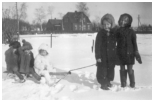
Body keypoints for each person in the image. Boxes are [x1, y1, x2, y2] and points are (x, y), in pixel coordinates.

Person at [116, 13, 142, 88]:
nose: (122, 22)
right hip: (120, 54)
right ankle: (123, 84)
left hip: (130, 54)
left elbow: (134, 44)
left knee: (130, 70)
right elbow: (114, 41)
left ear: (128, 22)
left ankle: (132, 84)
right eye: (121, 20)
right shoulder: (117, 31)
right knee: (122, 69)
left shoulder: (132, 32)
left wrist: (136, 53)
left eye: (125, 20)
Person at [95, 14, 117, 90]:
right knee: (102, 70)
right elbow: (97, 46)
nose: (106, 26)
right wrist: (98, 57)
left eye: (108, 24)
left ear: (111, 24)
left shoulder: (113, 33)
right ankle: (103, 84)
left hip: (111, 56)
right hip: (102, 56)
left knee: (110, 70)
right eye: (104, 24)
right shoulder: (100, 33)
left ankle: (108, 81)